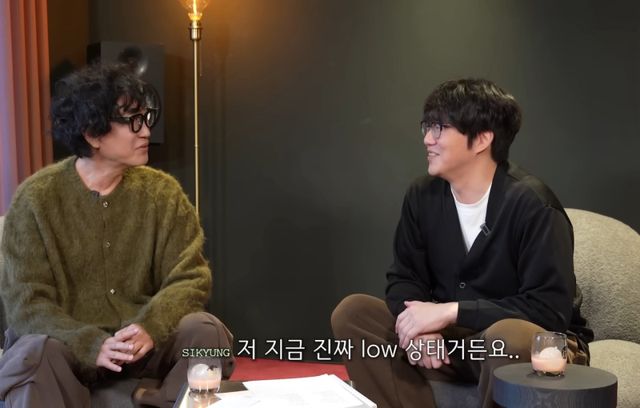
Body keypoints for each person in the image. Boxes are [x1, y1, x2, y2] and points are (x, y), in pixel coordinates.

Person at [331, 78, 593, 408]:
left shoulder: (534, 206)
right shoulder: (422, 196)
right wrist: (421, 329)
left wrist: (449, 312)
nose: (427, 139)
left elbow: (548, 311)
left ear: (482, 138)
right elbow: (404, 279)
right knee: (353, 313)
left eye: (439, 128)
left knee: (508, 336)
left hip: (540, 347)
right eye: (427, 126)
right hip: (457, 345)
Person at [0, 63, 233, 408]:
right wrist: (89, 344)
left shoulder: (163, 194)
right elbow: (27, 303)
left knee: (205, 332)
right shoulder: (36, 199)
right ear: (92, 134)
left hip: (144, 347)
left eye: (146, 118)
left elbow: (190, 277)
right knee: (35, 350)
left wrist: (151, 326)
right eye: (132, 121)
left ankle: (151, 399)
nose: (146, 131)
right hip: (68, 351)